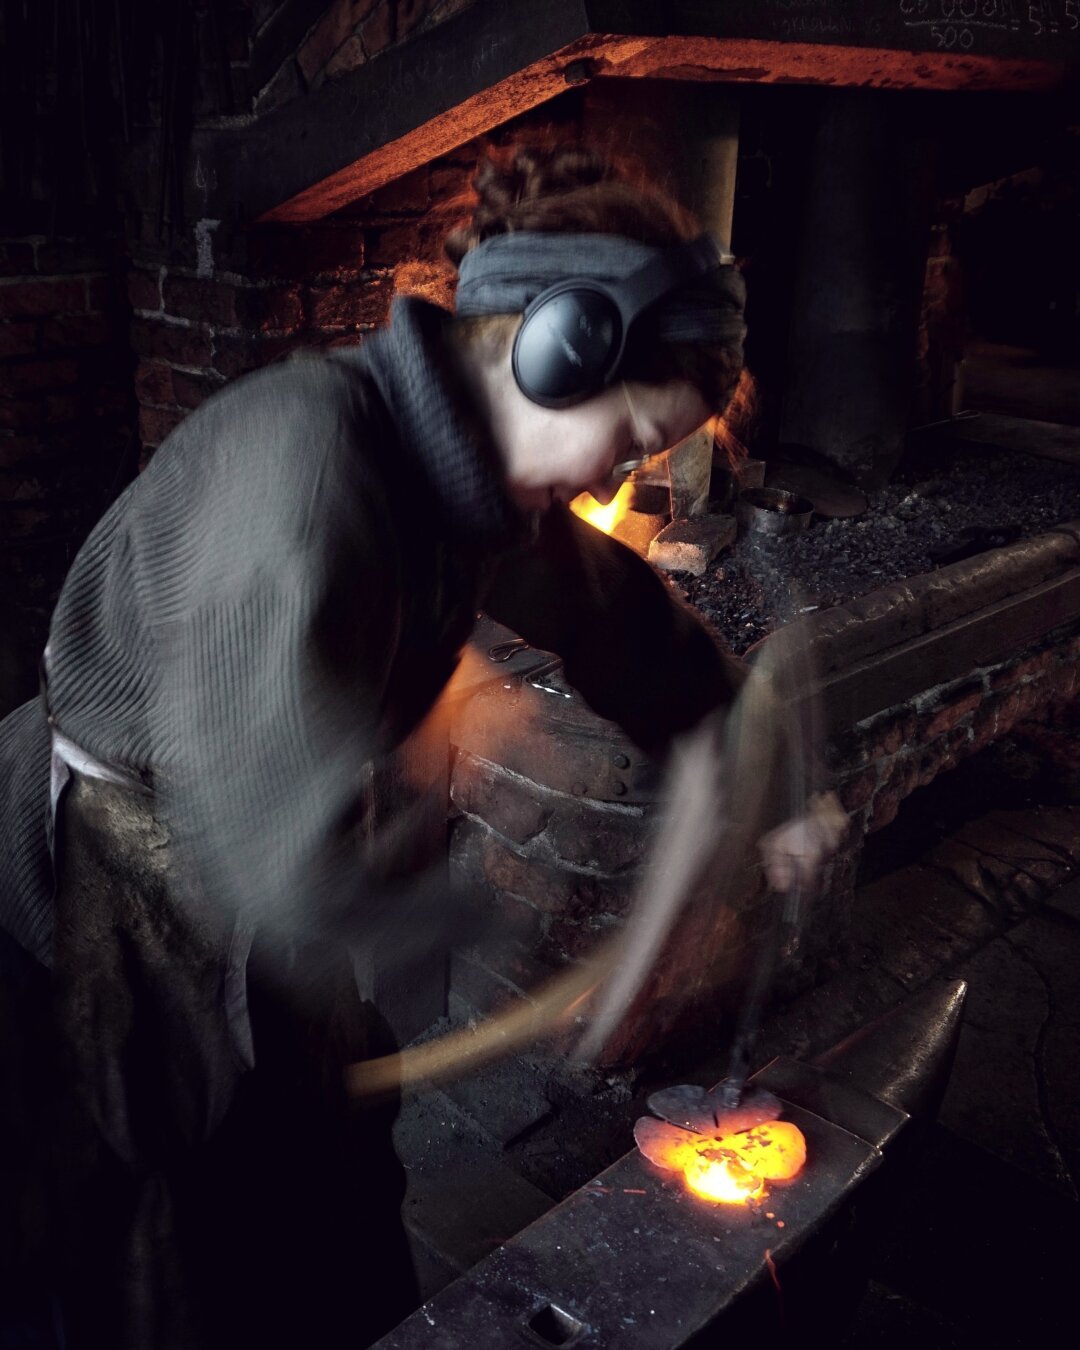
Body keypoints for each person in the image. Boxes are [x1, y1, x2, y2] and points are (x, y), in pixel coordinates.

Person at [0, 146, 844, 1348]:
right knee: (143, 1251)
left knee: (340, 1193)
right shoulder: (306, 474)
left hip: (277, 887)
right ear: (560, 350)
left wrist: (771, 786)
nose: (619, 477)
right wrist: (510, 931)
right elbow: (274, 861)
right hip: (119, 888)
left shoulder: (470, 477)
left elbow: (622, 620)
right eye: (622, 447)